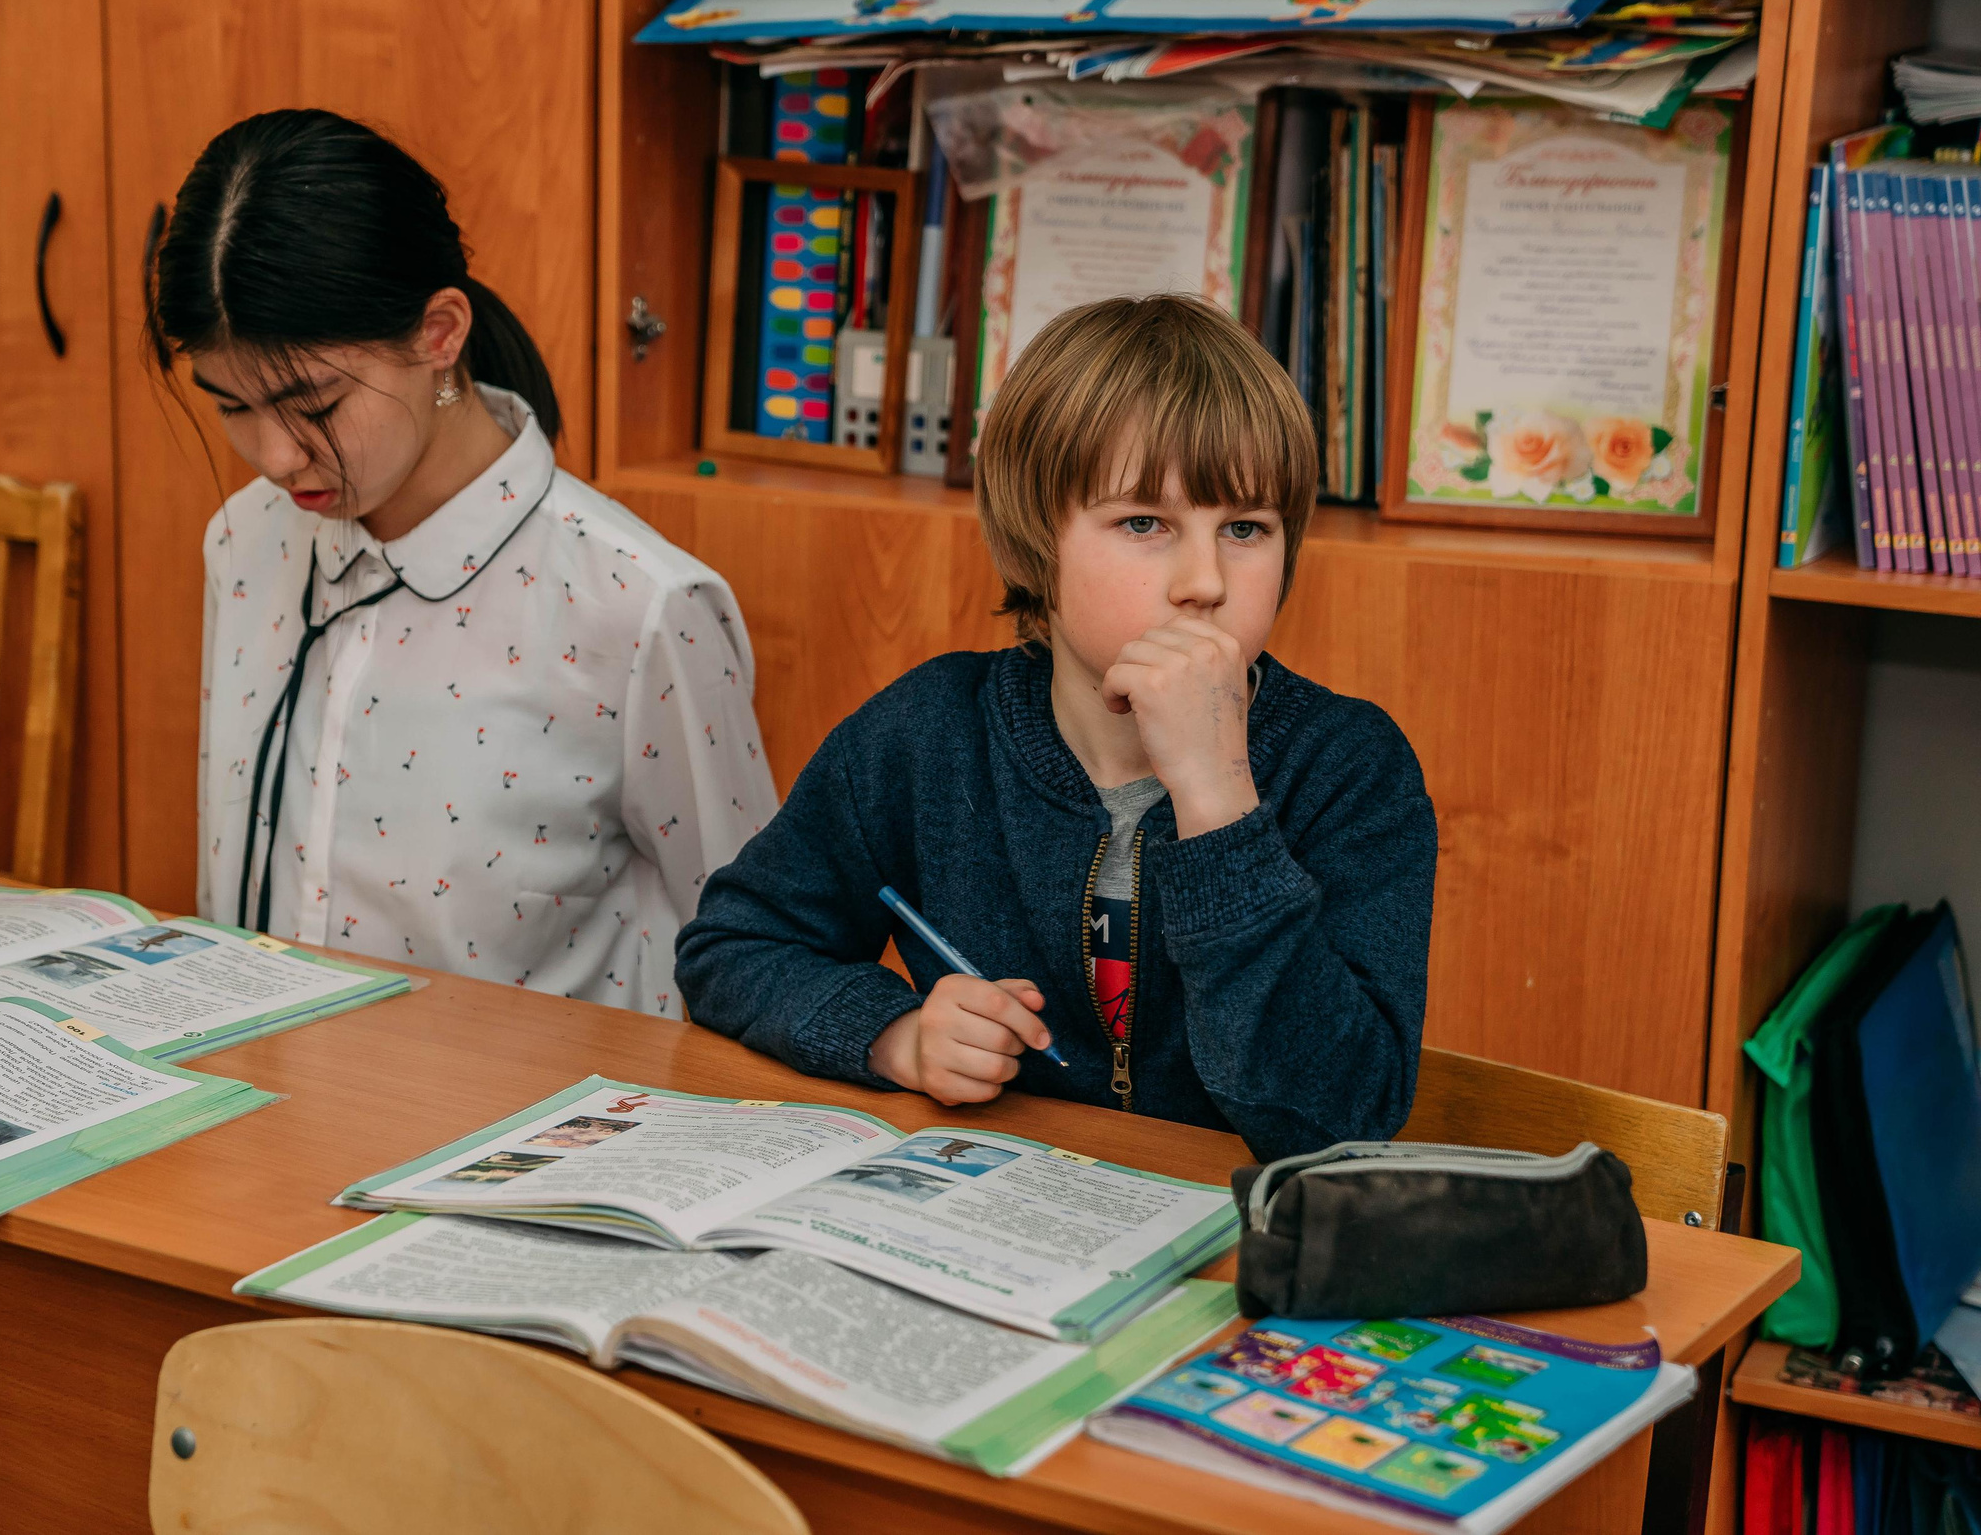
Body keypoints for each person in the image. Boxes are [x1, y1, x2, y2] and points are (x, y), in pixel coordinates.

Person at [675, 294, 1435, 1159]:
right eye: (1144, 523)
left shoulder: (1350, 767)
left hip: (1233, 1241)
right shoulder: (927, 733)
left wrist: (1219, 798)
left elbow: (1343, 1116)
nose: (1205, 581)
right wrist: (898, 1036)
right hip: (1002, 1212)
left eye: (1246, 528)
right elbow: (732, 946)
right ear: (1035, 542)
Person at [157, 109, 775, 1015]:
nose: (278, 457)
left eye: (313, 404)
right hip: (270, 1118)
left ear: (439, 332)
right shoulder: (244, 543)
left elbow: (759, 951)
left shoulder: (639, 609)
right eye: (231, 408)